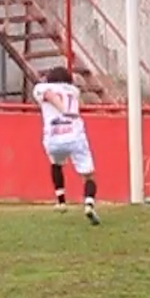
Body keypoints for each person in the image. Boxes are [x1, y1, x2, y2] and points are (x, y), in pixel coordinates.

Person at [35, 66, 100, 226]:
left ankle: (61, 200)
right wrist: (65, 109)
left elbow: (48, 94)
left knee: (56, 163)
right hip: (74, 134)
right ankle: (89, 204)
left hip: (54, 136)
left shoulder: (41, 88)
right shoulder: (73, 91)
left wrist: (61, 108)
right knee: (88, 175)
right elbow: (60, 92)